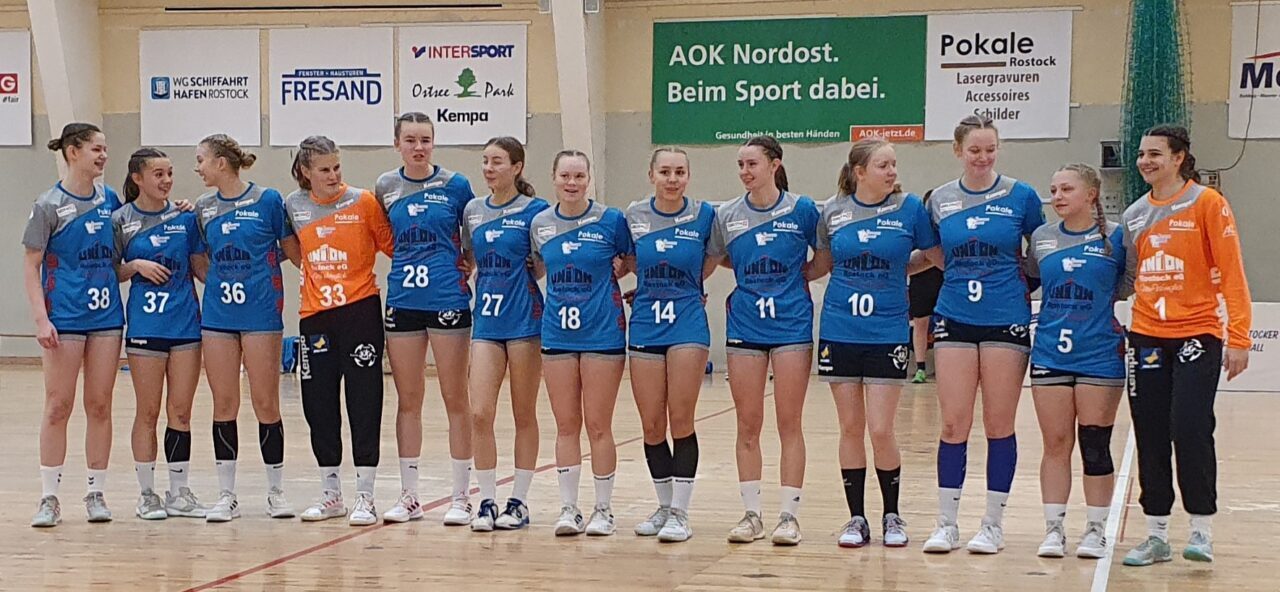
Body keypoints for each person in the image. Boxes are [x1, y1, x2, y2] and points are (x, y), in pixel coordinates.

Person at [1120, 125, 1251, 567]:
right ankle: (1156, 534)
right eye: (1142, 154)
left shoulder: (1207, 203)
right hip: (1146, 335)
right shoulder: (1135, 214)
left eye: (1155, 153)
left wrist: (1240, 337)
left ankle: (1200, 530)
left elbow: (1232, 273)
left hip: (1198, 333)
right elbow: (1130, 275)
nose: (1145, 161)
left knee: (1191, 427)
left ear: (1178, 158)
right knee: (1150, 431)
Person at [921, 115, 1046, 554]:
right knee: (953, 422)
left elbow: (1041, 251)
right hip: (954, 315)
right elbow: (934, 252)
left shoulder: (1021, 196)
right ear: (958, 151)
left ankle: (992, 524)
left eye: (990, 149)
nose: (983, 157)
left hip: (1005, 316)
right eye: (974, 150)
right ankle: (946, 523)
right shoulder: (940, 199)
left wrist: (1012, 281)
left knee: (998, 423)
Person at [809, 138, 937, 548]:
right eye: (883, 165)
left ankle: (892, 516)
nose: (892, 171)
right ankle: (856, 518)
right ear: (859, 172)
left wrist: (899, 270)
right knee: (850, 427)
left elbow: (931, 256)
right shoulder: (832, 211)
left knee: (881, 428)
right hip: (840, 328)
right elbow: (821, 265)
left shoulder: (909, 208)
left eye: (894, 164)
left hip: (886, 330)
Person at [709, 135, 820, 546]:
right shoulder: (727, 215)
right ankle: (751, 515)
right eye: (740, 164)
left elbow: (823, 257)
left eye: (752, 163)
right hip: (745, 324)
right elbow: (719, 257)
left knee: (789, 422)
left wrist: (796, 278)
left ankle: (789, 516)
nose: (745, 171)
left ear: (775, 164)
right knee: (747, 423)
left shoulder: (802, 210)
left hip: (791, 325)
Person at [284, 136, 394, 527]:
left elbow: (393, 247)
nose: (332, 176)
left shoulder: (363, 202)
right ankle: (330, 494)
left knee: (364, 401)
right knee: (318, 405)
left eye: (336, 168)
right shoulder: (293, 205)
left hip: (360, 311)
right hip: (315, 317)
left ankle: (366, 495)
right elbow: (294, 252)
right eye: (324, 170)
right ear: (305, 172)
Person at [376, 113, 478, 525]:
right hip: (403, 298)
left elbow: (471, 238)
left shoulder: (456, 185)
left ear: (434, 143)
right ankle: (410, 495)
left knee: (456, 397)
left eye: (425, 140)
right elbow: (386, 238)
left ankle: (461, 496)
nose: (418, 147)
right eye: (410, 140)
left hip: (447, 297)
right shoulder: (385, 186)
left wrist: (465, 265)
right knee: (408, 399)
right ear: (397, 143)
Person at [193, 134, 300, 521]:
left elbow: (293, 252)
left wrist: (258, 272)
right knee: (224, 404)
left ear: (221, 162)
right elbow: (200, 262)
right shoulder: (203, 208)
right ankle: (226, 494)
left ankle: (276, 491)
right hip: (219, 317)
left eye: (201, 160)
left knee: (266, 402)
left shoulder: (268, 200)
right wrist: (224, 282)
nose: (197, 167)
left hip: (261, 314)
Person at [24, 123, 124, 526]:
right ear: (73, 152)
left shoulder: (110, 199)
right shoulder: (48, 204)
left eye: (105, 149)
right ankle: (49, 497)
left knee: (99, 404)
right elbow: (31, 266)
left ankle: (95, 493)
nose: (103, 156)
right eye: (96, 149)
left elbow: (124, 249)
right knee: (58, 405)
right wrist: (41, 319)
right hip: (64, 317)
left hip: (106, 318)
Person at [1026, 164, 1127, 558]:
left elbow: (1128, 283)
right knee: (1055, 443)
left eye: (1067, 189)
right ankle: (1054, 529)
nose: (1058, 197)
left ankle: (1095, 530)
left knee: (1095, 443)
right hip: (1050, 351)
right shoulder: (1042, 237)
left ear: (1091, 194)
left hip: (1099, 354)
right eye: (1054, 190)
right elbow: (1031, 279)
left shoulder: (1117, 236)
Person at [530, 150, 632, 537]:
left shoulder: (611, 220)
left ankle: (603, 509)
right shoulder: (540, 223)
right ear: (554, 178)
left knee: (598, 425)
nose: (571, 183)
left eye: (578, 176)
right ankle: (569, 508)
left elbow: (631, 260)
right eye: (565, 176)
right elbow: (538, 267)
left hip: (602, 331)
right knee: (566, 424)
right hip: (557, 332)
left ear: (589, 179)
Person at [624, 147, 718, 543]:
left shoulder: (704, 215)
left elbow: (711, 260)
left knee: (681, 417)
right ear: (651, 175)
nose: (673, 179)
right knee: (650, 424)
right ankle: (663, 506)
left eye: (680, 172)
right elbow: (627, 260)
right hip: (647, 322)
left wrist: (690, 287)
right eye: (665, 171)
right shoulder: (633, 216)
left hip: (687, 323)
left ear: (688, 176)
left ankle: (681, 511)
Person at [114, 148, 210, 521]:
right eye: (158, 174)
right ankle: (147, 494)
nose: (167, 180)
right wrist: (135, 265)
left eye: (169, 173)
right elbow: (109, 271)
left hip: (185, 325)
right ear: (137, 178)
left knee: (180, 411)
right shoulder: (121, 220)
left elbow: (202, 269)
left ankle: (179, 492)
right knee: (148, 411)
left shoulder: (185, 218)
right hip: (145, 327)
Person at [463, 137, 549, 531]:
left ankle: (519, 501)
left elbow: (542, 264)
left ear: (517, 167)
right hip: (486, 321)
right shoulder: (474, 210)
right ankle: (486, 501)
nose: (488, 168)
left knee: (523, 412)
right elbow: (470, 259)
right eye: (485, 161)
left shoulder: (535, 211)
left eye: (497, 161)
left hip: (525, 320)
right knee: (480, 413)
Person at [908, 190, 944, 383]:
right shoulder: (916, 228)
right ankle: (920, 368)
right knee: (920, 324)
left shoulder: (946, 229)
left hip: (942, 279)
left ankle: (945, 367)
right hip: (921, 280)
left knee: (945, 325)